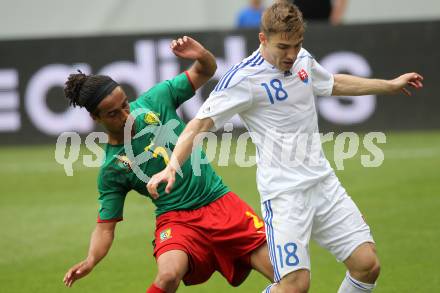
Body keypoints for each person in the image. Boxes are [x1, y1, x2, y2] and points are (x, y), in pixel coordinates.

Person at [146, 3, 424, 293]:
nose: (291, 54)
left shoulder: (302, 59)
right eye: (283, 46)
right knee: (294, 286)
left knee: (367, 265)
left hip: (323, 184)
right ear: (263, 39)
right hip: (284, 197)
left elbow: (332, 83)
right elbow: (198, 125)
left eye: (297, 44)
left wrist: (389, 85)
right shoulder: (243, 78)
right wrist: (171, 166)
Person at [62, 36, 274, 293]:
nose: (125, 115)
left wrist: (201, 53)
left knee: (287, 277)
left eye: (125, 104)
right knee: (168, 276)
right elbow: (105, 228)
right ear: (95, 118)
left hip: (220, 202)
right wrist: (91, 260)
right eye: (113, 114)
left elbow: (205, 70)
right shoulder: (112, 168)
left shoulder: (157, 99)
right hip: (177, 221)